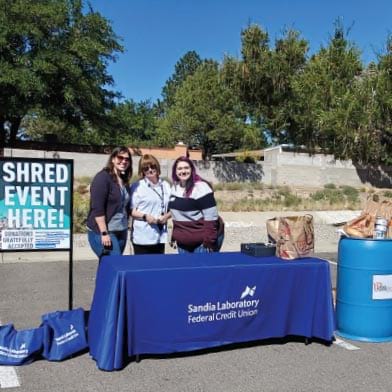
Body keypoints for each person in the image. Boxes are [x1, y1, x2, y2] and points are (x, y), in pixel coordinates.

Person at [169, 156, 224, 253]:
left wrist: (209, 242)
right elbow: (176, 216)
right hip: (182, 244)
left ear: (192, 169)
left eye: (186, 168)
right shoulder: (174, 188)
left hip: (201, 244)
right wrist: (174, 236)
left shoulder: (201, 188)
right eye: (180, 168)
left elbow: (211, 217)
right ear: (175, 171)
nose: (183, 171)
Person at [87, 146, 133, 260]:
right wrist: (104, 233)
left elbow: (125, 206)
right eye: (120, 157)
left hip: (121, 230)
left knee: (108, 267)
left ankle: (102, 279)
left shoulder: (123, 179)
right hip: (104, 231)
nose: (123, 161)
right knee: (115, 262)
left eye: (127, 159)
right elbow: (97, 208)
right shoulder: (102, 178)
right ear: (113, 159)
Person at [130, 154, 171, 254]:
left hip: (160, 236)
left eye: (152, 166)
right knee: (142, 268)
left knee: (158, 267)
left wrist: (166, 217)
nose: (150, 170)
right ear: (142, 171)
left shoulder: (166, 185)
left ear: (157, 166)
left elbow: (172, 208)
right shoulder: (137, 186)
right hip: (143, 237)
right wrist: (145, 216)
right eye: (145, 168)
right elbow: (131, 211)